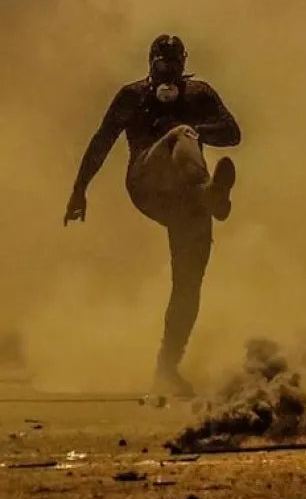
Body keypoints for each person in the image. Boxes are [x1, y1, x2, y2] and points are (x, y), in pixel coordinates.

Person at [64, 34, 241, 397]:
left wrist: (200, 129)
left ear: (182, 68)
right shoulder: (133, 97)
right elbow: (103, 140)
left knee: (188, 284)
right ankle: (211, 194)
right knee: (179, 134)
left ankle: (167, 367)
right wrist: (80, 188)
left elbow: (233, 132)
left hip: (187, 203)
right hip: (147, 182)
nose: (167, 77)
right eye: (161, 67)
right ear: (150, 66)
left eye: (174, 69)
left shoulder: (198, 94)